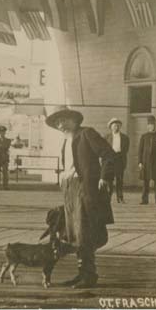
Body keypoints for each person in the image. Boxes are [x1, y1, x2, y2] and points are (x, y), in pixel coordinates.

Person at [47, 105, 116, 289]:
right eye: (56, 122)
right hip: (69, 190)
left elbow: (109, 155)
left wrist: (104, 177)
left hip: (84, 189)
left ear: (73, 119)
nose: (60, 124)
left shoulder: (86, 134)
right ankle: (82, 273)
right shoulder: (65, 141)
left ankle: (89, 274)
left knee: (85, 231)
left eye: (62, 119)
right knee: (74, 234)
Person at [138, 116, 156, 205]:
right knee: (145, 182)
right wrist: (140, 162)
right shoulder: (144, 136)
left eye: (153, 124)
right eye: (150, 125)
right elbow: (140, 150)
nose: (152, 126)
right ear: (148, 126)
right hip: (146, 162)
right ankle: (144, 200)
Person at [107, 118, 130, 203]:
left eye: (117, 125)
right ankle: (108, 197)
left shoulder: (125, 138)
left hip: (120, 159)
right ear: (111, 127)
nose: (116, 127)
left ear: (120, 127)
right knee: (109, 180)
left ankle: (120, 197)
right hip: (110, 159)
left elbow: (126, 149)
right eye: (114, 125)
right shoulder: (107, 137)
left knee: (119, 179)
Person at [0, 125, 12, 190]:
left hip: (5, 159)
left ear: (5, 132)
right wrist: (1, 147)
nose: (2, 133)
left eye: (3, 132)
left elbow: (6, 147)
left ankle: (5, 186)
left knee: (5, 173)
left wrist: (0, 147)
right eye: (1, 132)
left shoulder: (8, 140)